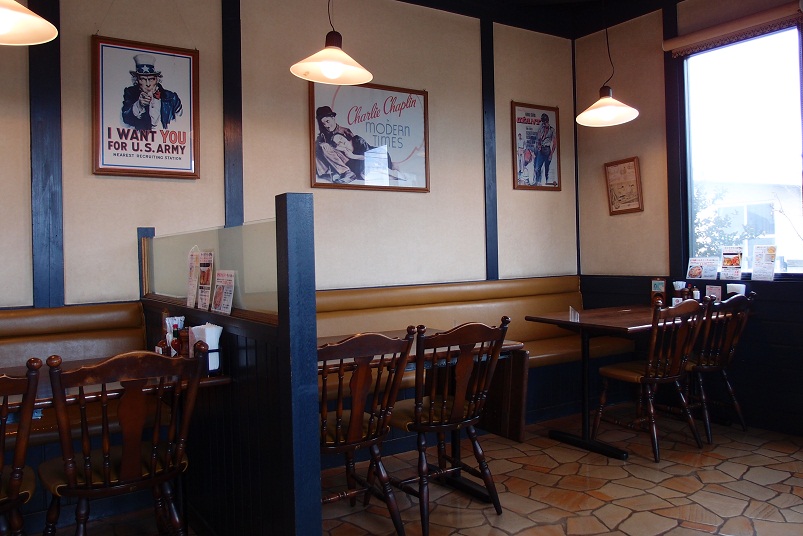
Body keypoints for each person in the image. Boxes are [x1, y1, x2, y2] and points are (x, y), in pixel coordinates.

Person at [121, 54, 183, 130]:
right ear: (137, 80)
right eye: (143, 79)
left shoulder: (171, 97)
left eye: (151, 79)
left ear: (157, 79)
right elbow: (126, 118)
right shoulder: (130, 93)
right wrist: (139, 105)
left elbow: (182, 121)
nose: (148, 84)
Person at [330, 132, 404, 181]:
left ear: (344, 136)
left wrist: (353, 156)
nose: (342, 142)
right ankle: (391, 176)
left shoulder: (356, 139)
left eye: (340, 138)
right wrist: (342, 149)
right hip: (369, 167)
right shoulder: (344, 154)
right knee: (363, 175)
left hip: (378, 156)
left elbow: (370, 156)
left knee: (365, 172)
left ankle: (391, 171)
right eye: (339, 143)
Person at [314, 106, 357, 183]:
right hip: (333, 162)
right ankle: (331, 173)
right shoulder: (324, 134)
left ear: (333, 118)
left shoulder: (345, 131)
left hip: (348, 160)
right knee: (316, 148)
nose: (326, 125)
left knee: (325, 147)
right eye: (323, 124)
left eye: (327, 121)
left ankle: (347, 172)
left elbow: (356, 148)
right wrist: (321, 143)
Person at [534, 113, 556, 186]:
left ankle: (547, 183)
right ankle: (538, 182)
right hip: (541, 149)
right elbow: (538, 139)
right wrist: (539, 145)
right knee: (537, 167)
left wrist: (551, 154)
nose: (544, 123)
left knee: (547, 168)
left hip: (547, 149)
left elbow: (554, 143)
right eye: (543, 122)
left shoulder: (552, 130)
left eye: (545, 122)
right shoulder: (541, 128)